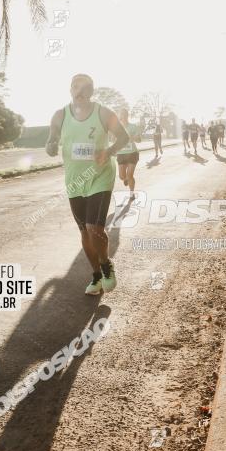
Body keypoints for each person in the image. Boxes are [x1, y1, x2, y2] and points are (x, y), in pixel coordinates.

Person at [46, 73, 129, 295]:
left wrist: (109, 151)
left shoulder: (103, 112)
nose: (79, 91)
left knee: (94, 227)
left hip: (100, 176)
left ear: (91, 92)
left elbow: (123, 137)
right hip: (75, 180)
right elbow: (51, 141)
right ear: (70, 90)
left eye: (85, 87)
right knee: (84, 230)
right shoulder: (59, 115)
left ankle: (106, 265)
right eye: (75, 86)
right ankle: (96, 276)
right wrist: (51, 146)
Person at [116, 108, 141, 200]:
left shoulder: (133, 127)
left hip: (132, 153)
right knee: (122, 176)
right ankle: (126, 179)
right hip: (121, 154)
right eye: (121, 114)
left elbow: (139, 140)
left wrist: (133, 137)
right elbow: (113, 139)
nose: (123, 116)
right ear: (120, 116)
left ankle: (132, 193)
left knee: (130, 175)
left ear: (127, 115)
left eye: (125, 114)